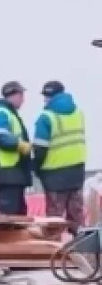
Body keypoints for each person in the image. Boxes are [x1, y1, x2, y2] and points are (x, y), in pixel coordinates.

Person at [34, 80, 87, 233]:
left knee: (54, 221)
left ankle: (54, 253)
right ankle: (80, 253)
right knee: (76, 217)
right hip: (77, 173)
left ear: (49, 97)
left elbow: (40, 149)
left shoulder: (46, 117)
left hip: (54, 176)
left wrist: (36, 168)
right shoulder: (78, 113)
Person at [0, 81, 33, 214]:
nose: (23, 99)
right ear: (13, 95)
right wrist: (20, 144)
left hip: (14, 174)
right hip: (7, 172)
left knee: (18, 217)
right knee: (10, 217)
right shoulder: (1, 112)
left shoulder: (9, 113)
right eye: (21, 95)